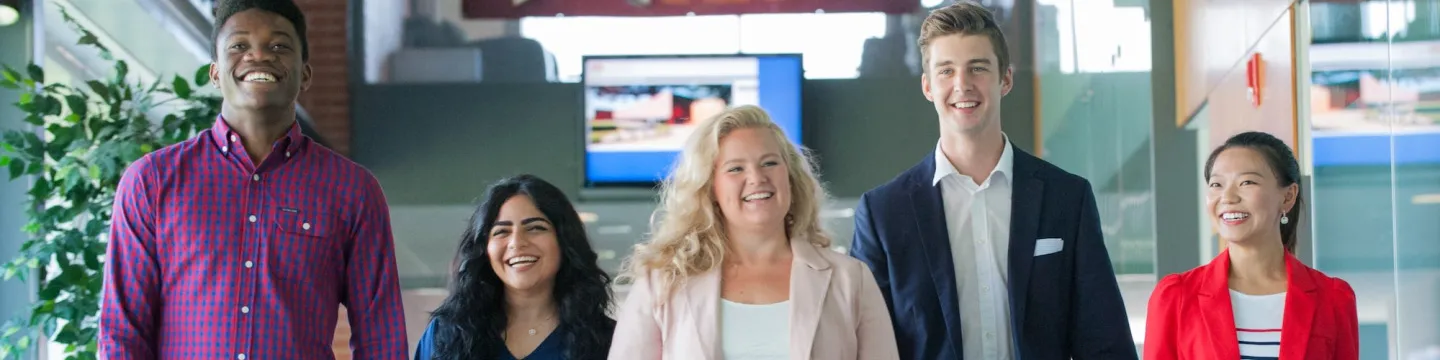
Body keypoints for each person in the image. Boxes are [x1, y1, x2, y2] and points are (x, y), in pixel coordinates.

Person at [98, 0, 408, 358]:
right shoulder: (151, 182)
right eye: (239, 46)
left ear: (305, 74)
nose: (258, 56)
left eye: (279, 46)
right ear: (215, 73)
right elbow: (122, 331)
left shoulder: (353, 190)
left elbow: (380, 336)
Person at [847, 2, 1136, 359]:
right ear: (927, 86)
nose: (962, 84)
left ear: (1006, 79)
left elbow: (1106, 342)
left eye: (978, 68)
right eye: (946, 71)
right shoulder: (883, 214)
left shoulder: (1067, 198)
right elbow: (865, 347)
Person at [609, 105, 899, 359]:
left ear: (790, 175)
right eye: (736, 169)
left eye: (770, 163)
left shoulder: (851, 280)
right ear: (710, 188)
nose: (757, 178)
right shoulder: (663, 283)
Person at [1144, 131, 1358, 359]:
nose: (1227, 197)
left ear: (1288, 196)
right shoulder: (1176, 297)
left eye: (1247, 182)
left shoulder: (1333, 299)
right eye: (1217, 184)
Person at [413, 175, 616, 360]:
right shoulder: (445, 334)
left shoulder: (609, 340)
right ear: (485, 249)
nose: (517, 243)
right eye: (501, 231)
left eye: (535, 228)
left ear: (565, 242)